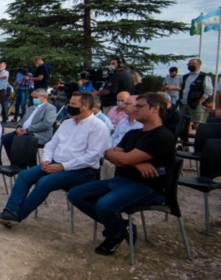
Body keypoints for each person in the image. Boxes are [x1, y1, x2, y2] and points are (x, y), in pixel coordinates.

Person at [68, 92, 176, 256]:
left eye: (140, 106)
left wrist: (127, 159)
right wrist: (137, 162)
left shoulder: (162, 136)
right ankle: (121, 225)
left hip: (149, 187)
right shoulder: (133, 134)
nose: (134, 109)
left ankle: (114, 235)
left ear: (155, 109)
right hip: (122, 180)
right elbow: (108, 153)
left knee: (104, 205)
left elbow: (123, 159)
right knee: (76, 194)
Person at [0, 92, 110, 227]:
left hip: (82, 170)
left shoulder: (98, 127)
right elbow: (52, 144)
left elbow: (92, 156)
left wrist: (63, 166)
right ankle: (10, 211)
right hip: (54, 163)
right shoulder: (67, 123)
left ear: (86, 106)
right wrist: (46, 159)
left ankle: (16, 216)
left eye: (74, 104)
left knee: (45, 182)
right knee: (24, 175)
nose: (70, 106)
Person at [1, 89, 56, 154]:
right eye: (33, 97)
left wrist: (27, 130)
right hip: (24, 131)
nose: (34, 99)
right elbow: (22, 120)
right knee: (6, 138)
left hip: (38, 134)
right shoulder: (31, 108)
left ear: (43, 97)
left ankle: (23, 162)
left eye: (36, 97)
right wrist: (19, 127)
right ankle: (14, 161)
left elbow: (46, 124)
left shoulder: (50, 108)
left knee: (20, 140)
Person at [178, 57, 213, 129]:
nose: (190, 65)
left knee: (197, 124)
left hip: (196, 104)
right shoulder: (185, 77)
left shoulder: (204, 76)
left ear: (199, 65)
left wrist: (200, 101)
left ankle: (199, 139)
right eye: (189, 64)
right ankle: (185, 138)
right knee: (184, 123)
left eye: (193, 64)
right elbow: (183, 89)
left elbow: (209, 91)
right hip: (184, 103)